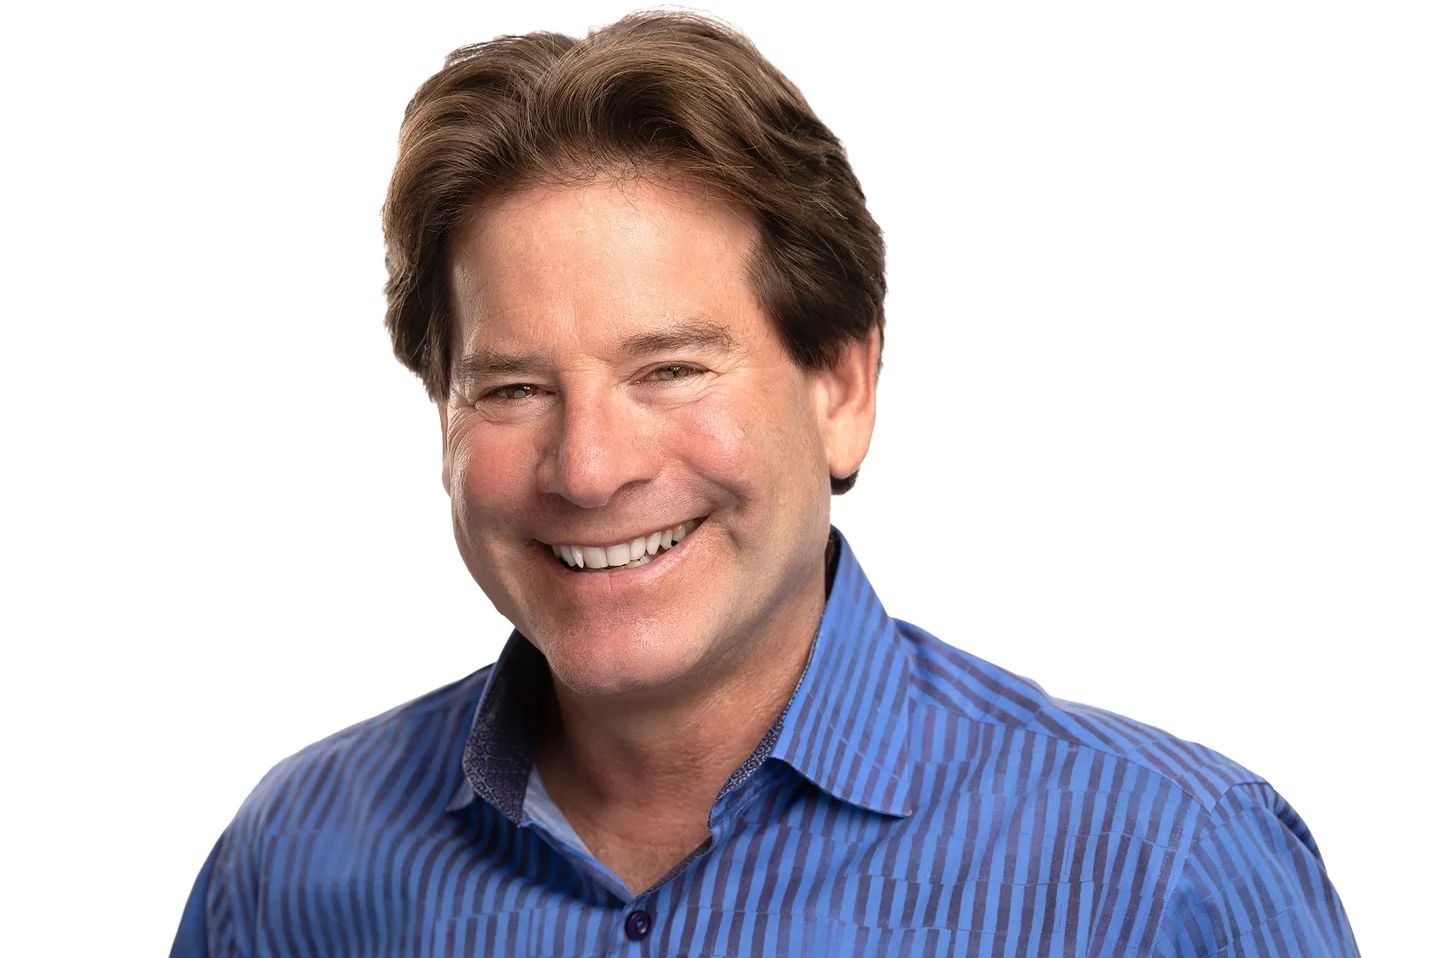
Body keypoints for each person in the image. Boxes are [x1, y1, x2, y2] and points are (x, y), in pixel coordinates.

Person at [170, 11, 1360, 956]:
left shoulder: (1166, 872)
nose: (590, 466)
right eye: (514, 388)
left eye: (672, 368)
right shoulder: (293, 867)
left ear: (842, 384)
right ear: (443, 418)